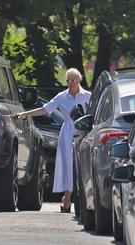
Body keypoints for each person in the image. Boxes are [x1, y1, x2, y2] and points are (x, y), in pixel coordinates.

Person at [16, 68, 91, 212]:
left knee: (82, 164)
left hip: (83, 131)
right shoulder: (62, 96)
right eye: (69, 80)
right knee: (68, 165)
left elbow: (93, 113)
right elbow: (45, 109)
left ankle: (79, 198)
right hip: (68, 131)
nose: (71, 83)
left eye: (74, 80)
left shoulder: (87, 96)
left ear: (80, 80)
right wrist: (26, 114)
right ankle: (67, 198)